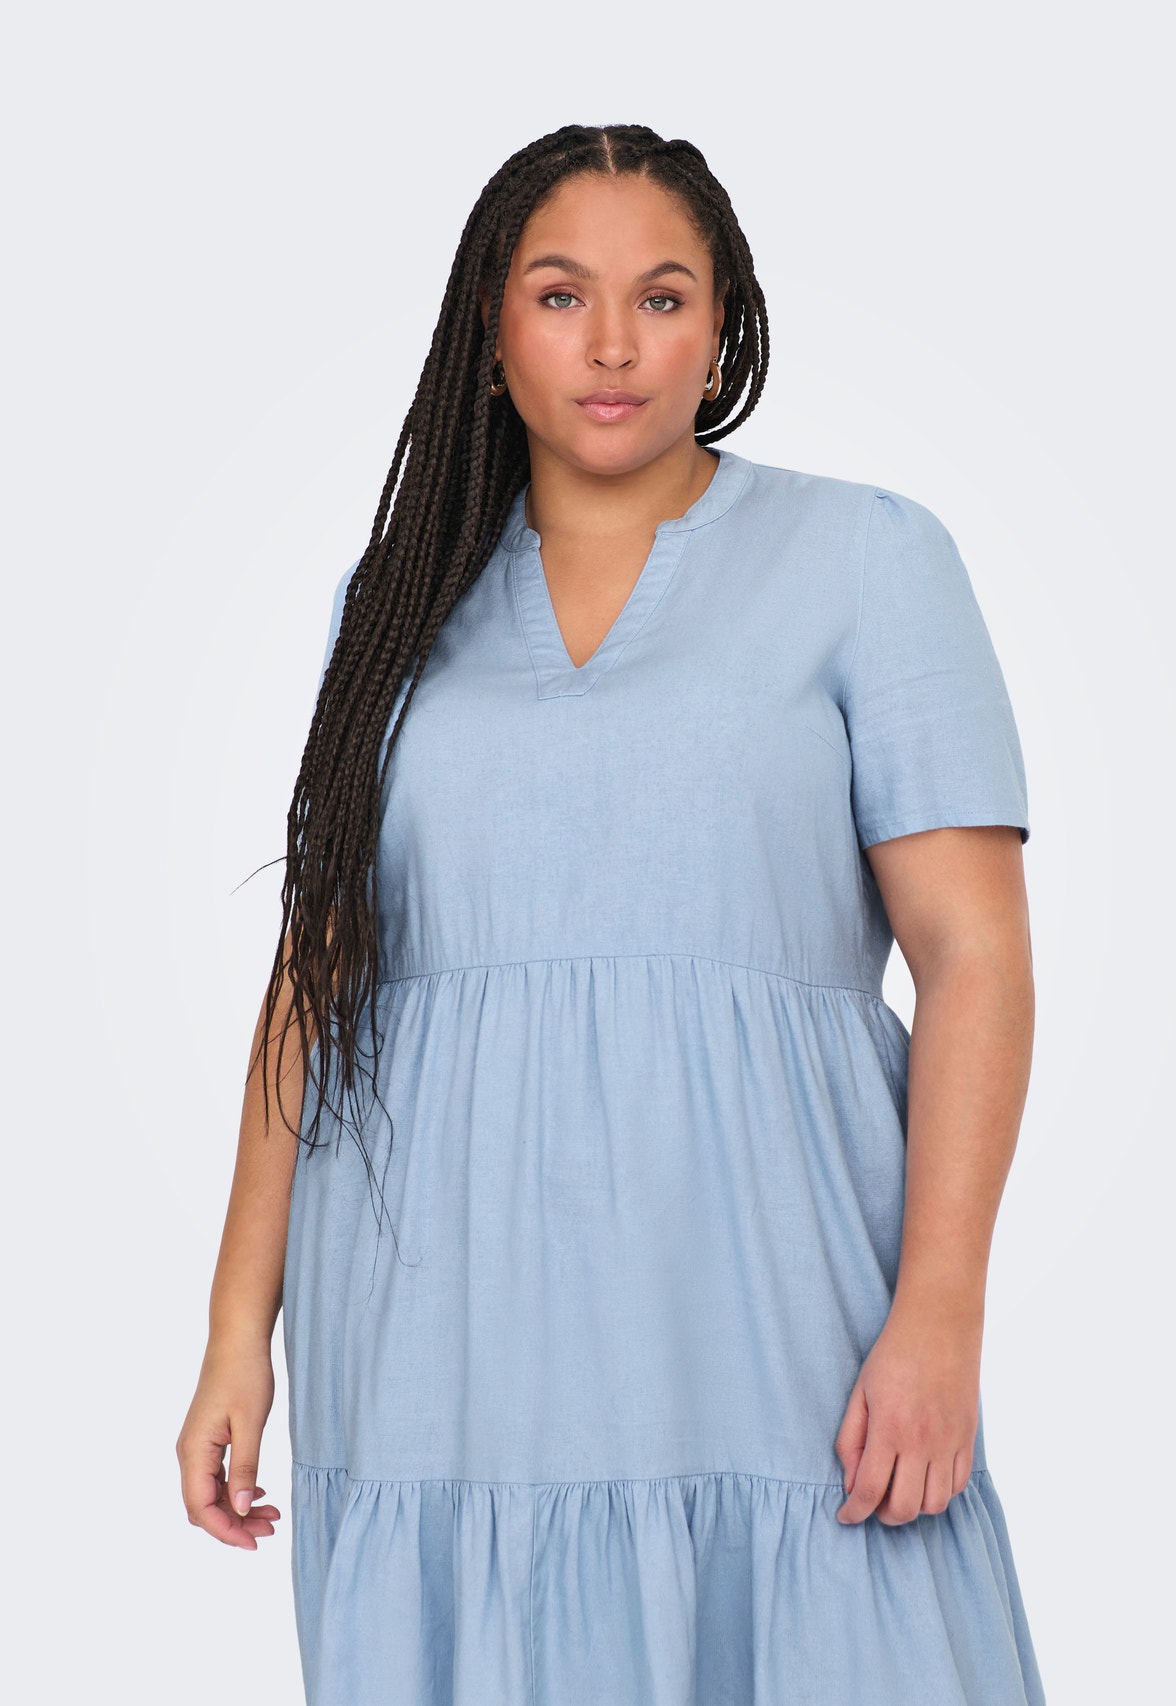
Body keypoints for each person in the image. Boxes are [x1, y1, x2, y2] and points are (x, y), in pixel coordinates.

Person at [177, 122, 1046, 1705]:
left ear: (724, 324)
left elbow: (975, 955)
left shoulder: (869, 559)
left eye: (663, 296)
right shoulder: (393, 607)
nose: (613, 345)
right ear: (492, 323)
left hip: (769, 1302)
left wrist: (942, 1308)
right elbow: (317, 978)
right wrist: (241, 1322)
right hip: (437, 1328)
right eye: (561, 294)